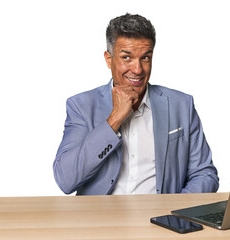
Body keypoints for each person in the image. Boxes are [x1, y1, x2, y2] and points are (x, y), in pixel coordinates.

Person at [53, 13, 219, 195]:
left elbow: (204, 174)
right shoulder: (81, 106)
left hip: (161, 220)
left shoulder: (181, 105)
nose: (138, 69)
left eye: (145, 58)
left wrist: (174, 214)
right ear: (109, 59)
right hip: (102, 219)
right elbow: (65, 180)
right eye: (126, 58)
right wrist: (114, 119)